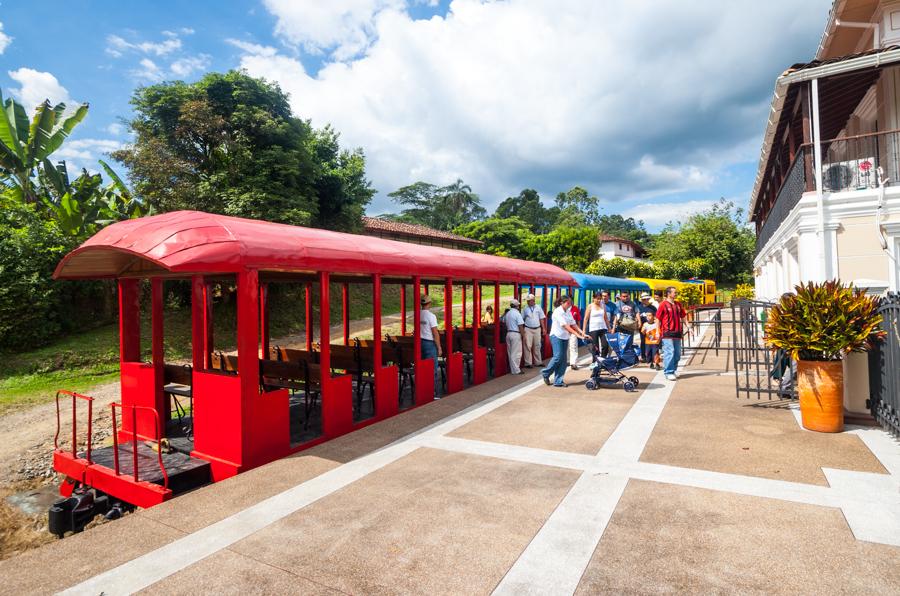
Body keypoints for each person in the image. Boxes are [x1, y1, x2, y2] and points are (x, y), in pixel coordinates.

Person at [541, 295, 591, 388]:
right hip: (556, 336)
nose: (570, 304)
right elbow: (565, 326)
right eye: (568, 303)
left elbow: (573, 324)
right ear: (562, 303)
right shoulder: (557, 312)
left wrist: (583, 333)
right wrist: (577, 335)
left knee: (563, 360)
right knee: (558, 357)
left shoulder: (567, 312)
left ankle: (558, 381)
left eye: (570, 302)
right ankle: (545, 373)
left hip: (564, 337)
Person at [656, 286, 691, 381]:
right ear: (668, 293)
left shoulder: (678, 304)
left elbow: (683, 316)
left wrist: (688, 326)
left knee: (677, 354)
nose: (676, 294)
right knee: (669, 352)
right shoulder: (663, 304)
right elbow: (658, 319)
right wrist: (657, 331)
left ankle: (673, 369)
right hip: (667, 332)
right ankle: (668, 372)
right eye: (674, 292)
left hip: (677, 332)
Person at [419, 294, 443, 398]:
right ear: (429, 304)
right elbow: (435, 333)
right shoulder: (431, 316)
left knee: (423, 368)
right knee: (433, 370)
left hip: (420, 343)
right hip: (429, 344)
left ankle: (423, 391)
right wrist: (439, 347)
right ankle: (435, 393)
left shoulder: (418, 314)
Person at [522, 293, 547, 368]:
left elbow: (541, 318)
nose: (528, 302)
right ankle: (528, 363)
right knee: (527, 346)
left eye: (529, 301)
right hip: (528, 328)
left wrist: (544, 328)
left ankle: (538, 362)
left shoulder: (538, 307)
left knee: (537, 345)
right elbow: (521, 319)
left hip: (537, 328)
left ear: (533, 300)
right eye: (528, 301)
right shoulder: (525, 309)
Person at [581, 291, 610, 356]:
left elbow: (605, 318)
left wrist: (609, 328)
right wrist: (583, 331)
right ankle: (596, 360)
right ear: (593, 298)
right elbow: (585, 319)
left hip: (603, 328)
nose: (599, 300)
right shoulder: (590, 306)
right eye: (597, 298)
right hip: (593, 329)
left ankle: (603, 359)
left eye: (600, 299)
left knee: (605, 345)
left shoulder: (603, 306)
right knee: (595, 347)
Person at [503, 299, 525, 374]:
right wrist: (523, 335)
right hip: (515, 333)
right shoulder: (517, 314)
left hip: (508, 333)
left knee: (510, 352)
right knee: (516, 352)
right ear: (517, 306)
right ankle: (516, 370)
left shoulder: (508, 313)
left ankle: (513, 369)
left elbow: (504, 322)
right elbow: (520, 325)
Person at [636, 292, 658, 363]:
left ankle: (653, 356)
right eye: (643, 299)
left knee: (652, 341)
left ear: (648, 299)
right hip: (643, 327)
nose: (645, 300)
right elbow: (637, 316)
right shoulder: (639, 307)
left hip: (652, 327)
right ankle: (643, 356)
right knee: (643, 341)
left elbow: (656, 318)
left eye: (646, 299)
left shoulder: (653, 308)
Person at [600, 291, 617, 357]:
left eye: (605, 296)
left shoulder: (612, 305)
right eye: (602, 296)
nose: (603, 297)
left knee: (610, 345)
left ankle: (608, 357)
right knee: (603, 344)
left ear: (608, 296)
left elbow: (615, 317)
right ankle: (602, 357)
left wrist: (613, 328)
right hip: (601, 327)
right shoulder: (599, 304)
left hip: (609, 327)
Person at [568, 301, 582, 370]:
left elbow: (578, 320)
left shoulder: (575, 308)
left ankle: (573, 363)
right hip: (564, 331)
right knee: (566, 347)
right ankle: (567, 361)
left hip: (573, 330)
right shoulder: (563, 309)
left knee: (573, 346)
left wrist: (579, 330)